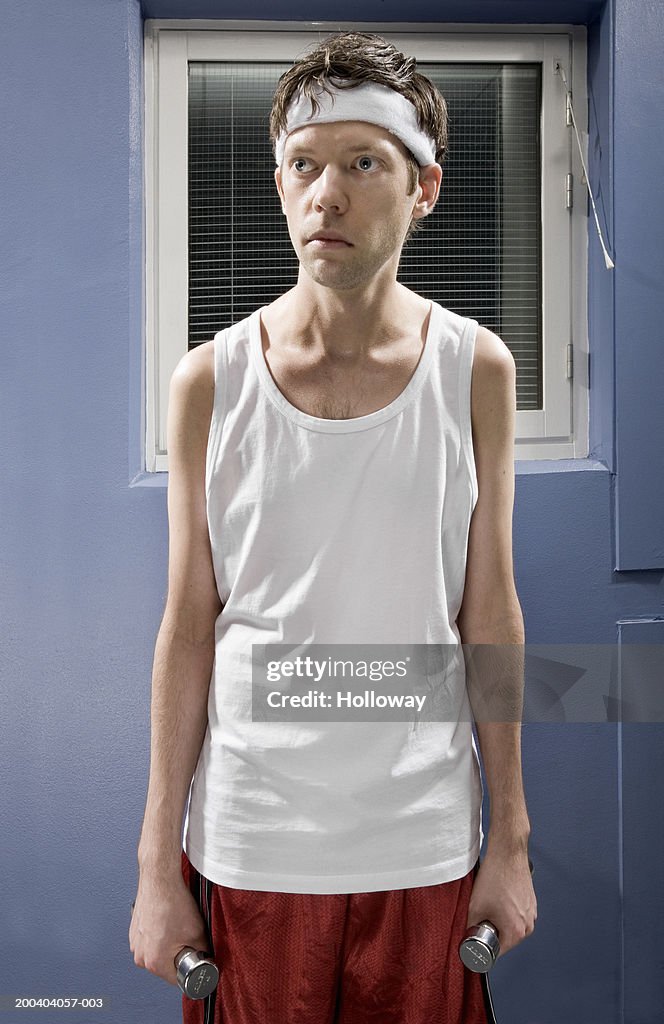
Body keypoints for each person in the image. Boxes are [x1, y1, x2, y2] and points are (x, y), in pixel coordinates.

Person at [129, 30, 537, 1024]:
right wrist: (154, 864)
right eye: (305, 166)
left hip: (424, 846)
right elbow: (189, 624)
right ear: (278, 186)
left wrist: (510, 839)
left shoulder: (475, 369)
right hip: (253, 846)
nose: (328, 195)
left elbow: (488, 614)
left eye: (365, 164)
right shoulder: (208, 382)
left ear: (425, 187)